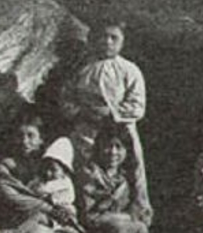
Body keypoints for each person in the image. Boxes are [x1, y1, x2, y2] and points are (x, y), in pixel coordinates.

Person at [60, 17, 151, 217]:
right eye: (103, 37)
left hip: (121, 133)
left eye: (114, 38)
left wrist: (111, 114)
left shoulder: (129, 70)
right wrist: (83, 113)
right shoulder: (81, 69)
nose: (107, 42)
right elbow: (66, 100)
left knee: (132, 174)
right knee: (88, 175)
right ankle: (89, 218)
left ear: (122, 41)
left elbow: (137, 106)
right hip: (87, 132)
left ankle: (135, 217)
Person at [32, 137, 78, 218]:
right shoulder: (41, 179)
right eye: (45, 168)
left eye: (54, 170)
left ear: (64, 171)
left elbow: (68, 197)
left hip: (59, 211)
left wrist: (49, 197)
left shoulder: (64, 183)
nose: (48, 173)